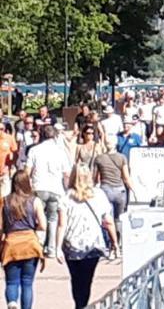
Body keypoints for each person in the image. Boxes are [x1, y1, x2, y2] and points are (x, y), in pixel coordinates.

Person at [57, 164, 118, 309]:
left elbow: (61, 225)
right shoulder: (99, 195)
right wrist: (115, 242)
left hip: (72, 245)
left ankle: (79, 303)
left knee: (75, 278)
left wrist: (57, 247)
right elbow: (108, 221)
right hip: (93, 244)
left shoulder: (66, 198)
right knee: (87, 279)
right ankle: (82, 304)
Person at [1, 169, 45, 309]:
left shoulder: (5, 201)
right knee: (27, 282)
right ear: (28, 183)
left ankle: (12, 302)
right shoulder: (35, 201)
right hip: (30, 244)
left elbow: (1, 226)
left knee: (11, 282)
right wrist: (33, 226)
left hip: (11, 244)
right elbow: (43, 225)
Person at [25, 126, 69, 259]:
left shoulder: (34, 150)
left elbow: (27, 171)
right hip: (56, 188)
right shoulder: (61, 151)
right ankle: (51, 249)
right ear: (55, 136)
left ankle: (37, 245)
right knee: (53, 218)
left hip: (38, 187)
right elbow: (66, 173)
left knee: (36, 217)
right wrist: (66, 189)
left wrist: (27, 187)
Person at [92, 143, 133, 234]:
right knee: (119, 218)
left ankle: (110, 242)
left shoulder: (99, 158)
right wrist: (134, 191)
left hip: (106, 190)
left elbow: (94, 178)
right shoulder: (122, 158)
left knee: (107, 217)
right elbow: (126, 178)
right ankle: (119, 240)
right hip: (120, 191)